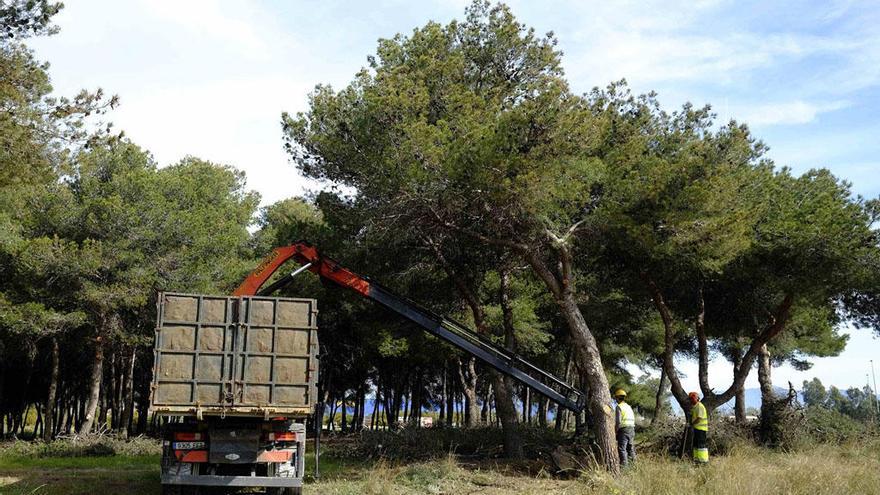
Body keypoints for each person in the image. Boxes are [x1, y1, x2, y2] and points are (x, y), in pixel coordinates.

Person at [614, 389, 635, 466]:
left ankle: (624, 468)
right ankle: (633, 466)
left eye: (615, 398)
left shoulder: (618, 407)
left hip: (624, 430)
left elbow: (618, 421)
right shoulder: (628, 406)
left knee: (622, 449)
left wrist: (615, 431)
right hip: (632, 429)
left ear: (617, 398)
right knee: (630, 448)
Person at [689, 391, 709, 464]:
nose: (691, 400)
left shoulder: (700, 406)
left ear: (697, 398)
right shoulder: (695, 407)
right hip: (697, 429)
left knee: (701, 446)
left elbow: (699, 418)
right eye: (690, 399)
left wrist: (691, 423)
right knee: (696, 445)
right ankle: (697, 460)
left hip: (701, 429)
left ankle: (703, 461)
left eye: (693, 398)